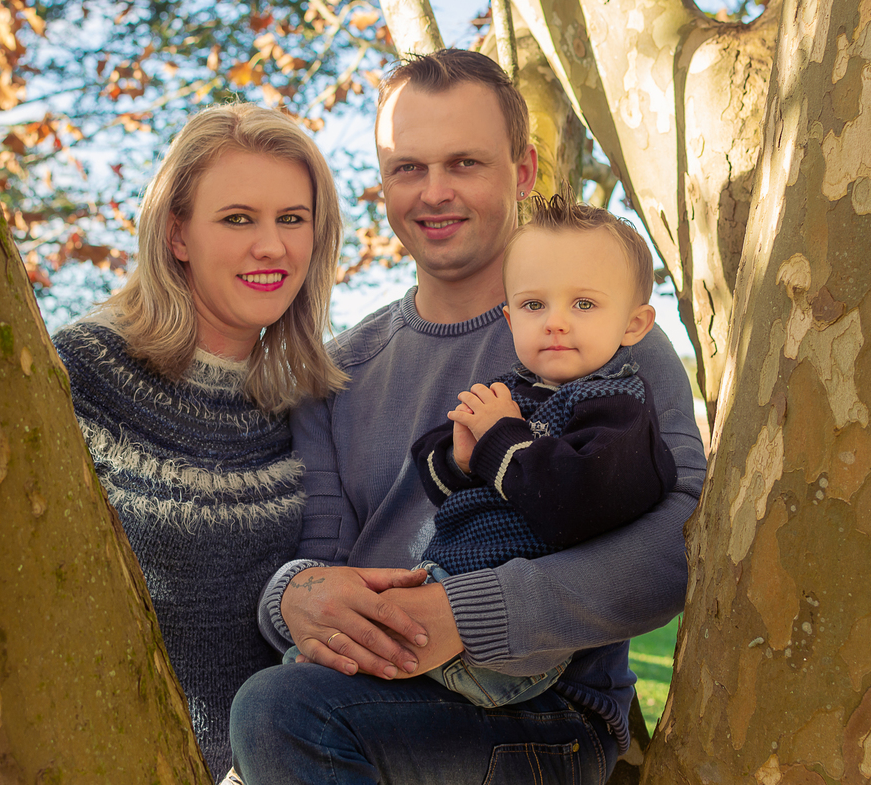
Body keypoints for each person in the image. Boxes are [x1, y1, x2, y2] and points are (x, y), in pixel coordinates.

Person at [230, 50, 706, 784]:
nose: (435, 192)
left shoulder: (598, 336)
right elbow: (320, 556)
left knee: (277, 712)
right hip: (371, 690)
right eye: (408, 168)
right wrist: (292, 595)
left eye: (464, 163)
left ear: (522, 171)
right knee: (279, 707)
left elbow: (683, 535)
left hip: (545, 709)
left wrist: (471, 613)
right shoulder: (334, 371)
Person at [51, 103, 346, 779]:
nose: (271, 246)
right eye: (238, 218)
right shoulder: (84, 372)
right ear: (177, 233)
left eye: (292, 219)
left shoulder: (305, 403)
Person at [406, 193, 678, 708]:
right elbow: (432, 461)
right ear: (511, 320)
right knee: (320, 649)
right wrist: (461, 460)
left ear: (634, 324)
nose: (555, 322)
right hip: (443, 584)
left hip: (508, 652)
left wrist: (500, 440)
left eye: (584, 304)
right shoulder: (512, 391)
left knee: (317, 687)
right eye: (535, 305)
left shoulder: (618, 409)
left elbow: (576, 502)